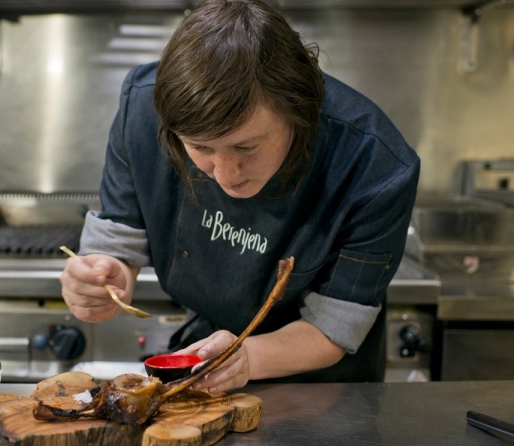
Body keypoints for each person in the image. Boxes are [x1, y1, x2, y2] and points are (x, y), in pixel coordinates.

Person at [60, 0, 419, 392]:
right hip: (210, 358)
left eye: (246, 148)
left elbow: (331, 329)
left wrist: (245, 358)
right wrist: (103, 276)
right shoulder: (142, 110)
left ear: (297, 111)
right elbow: (117, 245)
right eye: (201, 149)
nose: (225, 174)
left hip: (323, 388)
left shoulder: (373, 166)